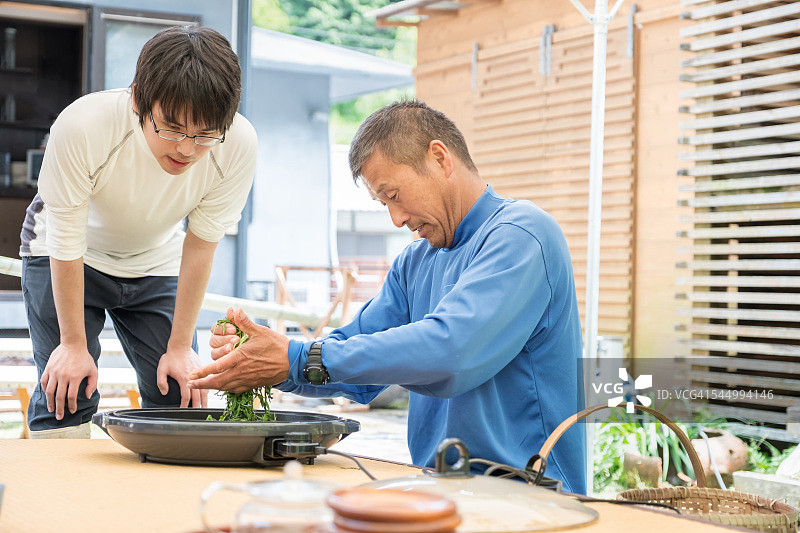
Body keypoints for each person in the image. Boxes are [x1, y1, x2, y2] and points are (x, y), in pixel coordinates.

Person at [189, 100, 586, 493]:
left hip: (530, 496)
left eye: (394, 195)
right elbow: (351, 358)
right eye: (383, 204)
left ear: (439, 158)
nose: (396, 219)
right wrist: (268, 358)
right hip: (441, 492)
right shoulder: (416, 262)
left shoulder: (522, 234)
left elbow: (452, 351)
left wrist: (296, 358)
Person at [19, 26, 258, 438]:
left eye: (204, 134)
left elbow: (201, 243)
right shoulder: (84, 126)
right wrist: (74, 344)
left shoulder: (236, 144)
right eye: (171, 127)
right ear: (137, 100)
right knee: (68, 390)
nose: (186, 148)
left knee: (181, 393)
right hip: (66, 252)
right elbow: (66, 237)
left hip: (155, 257)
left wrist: (182, 346)